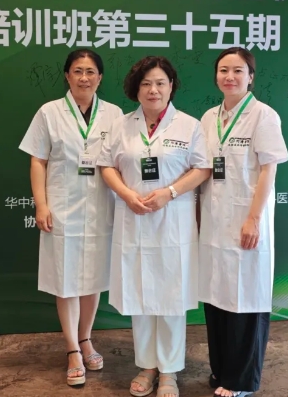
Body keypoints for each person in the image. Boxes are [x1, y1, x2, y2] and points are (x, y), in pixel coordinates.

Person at [97, 56, 211, 397]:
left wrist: (170, 192)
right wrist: (126, 194)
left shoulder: (189, 125)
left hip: (173, 221)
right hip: (133, 218)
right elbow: (106, 165)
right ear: (136, 89)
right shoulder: (121, 125)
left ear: (171, 86)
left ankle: (170, 371)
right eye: (146, 83)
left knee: (171, 297)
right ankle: (147, 366)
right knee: (141, 293)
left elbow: (203, 168)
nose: (153, 90)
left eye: (160, 82)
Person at [18, 49, 123, 387]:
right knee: (65, 280)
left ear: (100, 78)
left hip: (101, 208)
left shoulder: (114, 114)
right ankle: (72, 350)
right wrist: (41, 205)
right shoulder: (49, 112)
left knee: (92, 278)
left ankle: (86, 338)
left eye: (91, 72)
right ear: (67, 75)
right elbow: (38, 160)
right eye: (78, 71)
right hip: (62, 209)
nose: (84, 78)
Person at [198, 47, 288, 397]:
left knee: (246, 299)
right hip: (214, 222)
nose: (230, 77)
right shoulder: (209, 117)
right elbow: (204, 169)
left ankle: (241, 381)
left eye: (238, 70)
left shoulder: (263, 115)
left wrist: (253, 218)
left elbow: (269, 170)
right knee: (217, 296)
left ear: (251, 77)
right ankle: (221, 370)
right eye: (223, 70)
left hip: (246, 220)